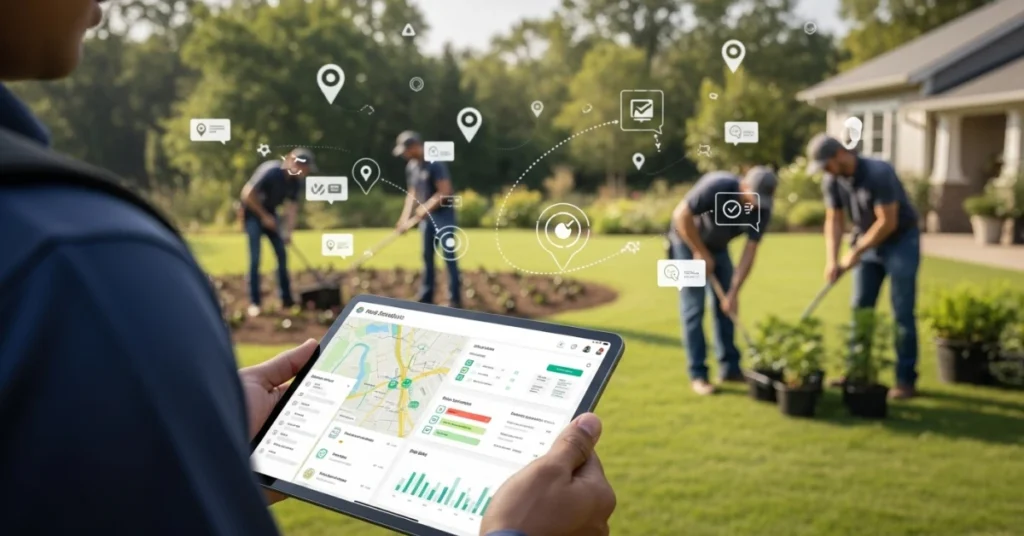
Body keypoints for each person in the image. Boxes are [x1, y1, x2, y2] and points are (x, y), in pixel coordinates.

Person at [0, 2, 615, 533]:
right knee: (269, 256)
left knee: (442, 264)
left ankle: (439, 299)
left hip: (442, 218)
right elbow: (258, 203)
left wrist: (219, 439)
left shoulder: (65, 242)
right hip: (252, 217)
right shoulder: (86, 257)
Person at [807, 133, 921, 399]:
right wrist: (833, 260)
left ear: (839, 155)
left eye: (826, 164)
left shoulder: (878, 172)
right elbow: (833, 221)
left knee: (902, 311)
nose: (825, 171)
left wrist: (855, 251)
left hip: (901, 240)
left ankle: (905, 380)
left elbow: (888, 222)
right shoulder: (832, 181)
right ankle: (856, 372)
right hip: (867, 241)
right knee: (861, 308)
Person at [668, 166, 778, 395]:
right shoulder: (717, 185)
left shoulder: (763, 208)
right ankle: (698, 375)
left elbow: (750, 251)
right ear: (744, 185)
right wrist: (700, 251)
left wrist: (734, 292)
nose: (755, 205)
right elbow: (681, 215)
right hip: (686, 242)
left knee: (727, 307)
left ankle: (730, 368)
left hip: (718, 246)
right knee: (693, 309)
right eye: (753, 197)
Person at [240, 149, 315, 316]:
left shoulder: (296, 182)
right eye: (305, 168)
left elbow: (292, 208)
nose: (306, 172)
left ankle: (286, 300)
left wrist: (288, 231)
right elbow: (247, 194)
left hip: (271, 215)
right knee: (255, 258)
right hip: (253, 214)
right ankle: (255, 303)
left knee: (282, 254)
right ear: (294, 163)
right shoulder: (271, 171)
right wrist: (264, 217)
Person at [393, 130, 462, 307]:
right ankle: (427, 296)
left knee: (448, 256)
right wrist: (404, 219)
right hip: (426, 220)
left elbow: (445, 191)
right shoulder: (412, 167)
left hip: (444, 217)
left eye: (406, 151)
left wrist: (426, 207)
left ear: (415, 147)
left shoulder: (435, 163)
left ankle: (454, 298)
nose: (405, 156)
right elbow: (412, 194)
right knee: (427, 256)